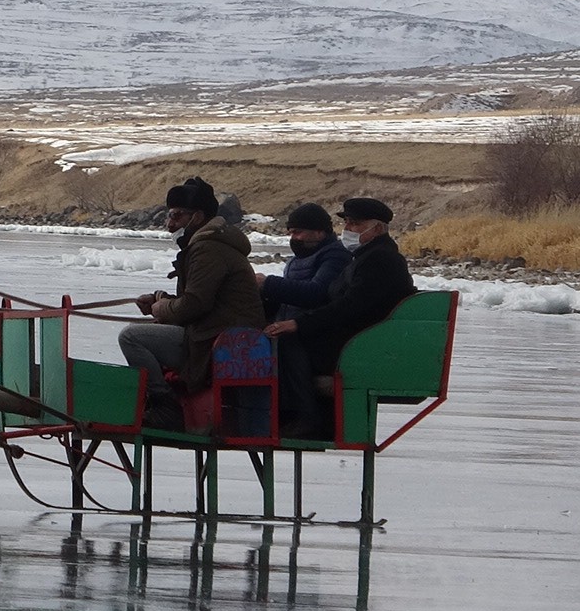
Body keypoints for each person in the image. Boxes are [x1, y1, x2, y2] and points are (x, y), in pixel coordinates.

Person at [118, 177, 265, 430]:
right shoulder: (209, 245)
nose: (169, 224)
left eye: (176, 216)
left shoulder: (208, 249)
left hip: (215, 341)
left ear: (197, 217)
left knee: (132, 337)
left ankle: (166, 407)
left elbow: (194, 305)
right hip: (211, 332)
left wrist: (162, 308)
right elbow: (198, 299)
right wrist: (160, 300)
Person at [263, 197, 416, 438]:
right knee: (286, 337)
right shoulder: (366, 256)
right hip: (360, 335)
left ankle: (307, 416)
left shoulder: (381, 260)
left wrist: (298, 323)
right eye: (347, 224)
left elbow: (350, 306)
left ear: (376, 228)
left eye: (355, 224)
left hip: (362, 341)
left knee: (289, 341)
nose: (347, 230)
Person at [256, 202, 352, 323]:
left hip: (314, 331)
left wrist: (268, 283)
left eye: (298, 232)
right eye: (291, 233)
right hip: (289, 331)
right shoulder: (298, 258)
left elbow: (318, 294)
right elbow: (289, 301)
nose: (293, 238)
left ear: (319, 232)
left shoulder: (337, 255)